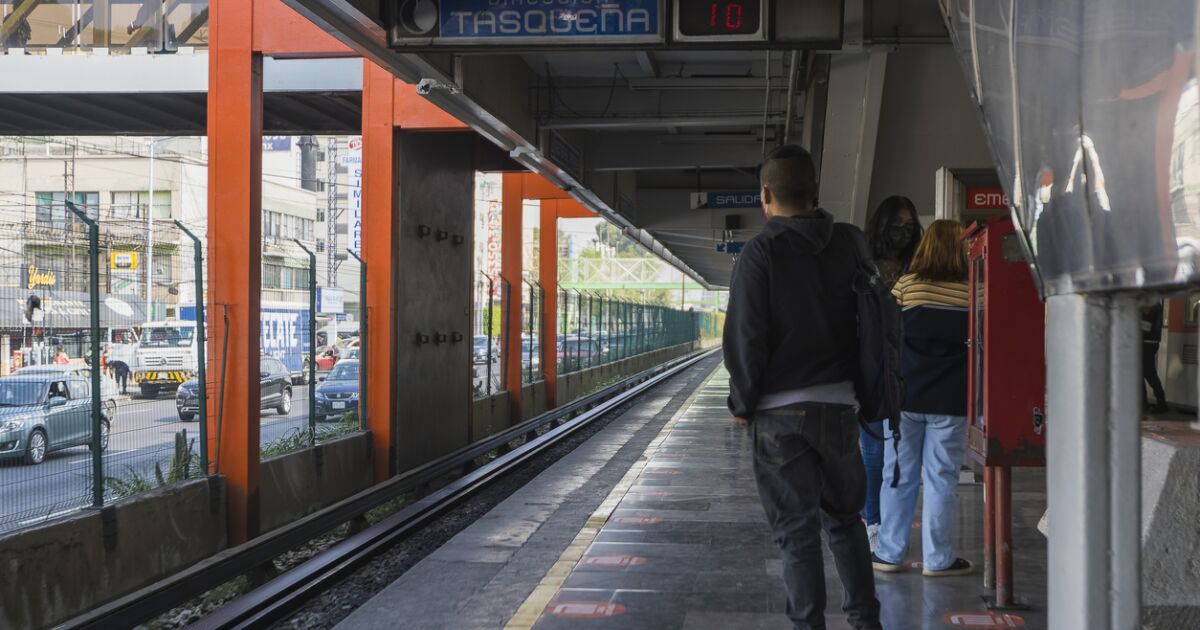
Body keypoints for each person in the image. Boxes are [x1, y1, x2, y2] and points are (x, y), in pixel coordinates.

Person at [725, 144, 881, 630]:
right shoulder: (849, 245)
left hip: (779, 417)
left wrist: (742, 402)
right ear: (815, 193)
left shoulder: (761, 251)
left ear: (765, 196)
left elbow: (747, 335)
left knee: (797, 533)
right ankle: (865, 622)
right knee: (846, 523)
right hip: (838, 408)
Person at [873, 219, 973, 577]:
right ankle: (938, 559)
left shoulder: (906, 287)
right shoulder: (973, 291)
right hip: (951, 400)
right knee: (941, 477)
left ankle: (888, 553)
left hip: (905, 399)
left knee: (897, 475)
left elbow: (886, 337)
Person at [860, 195, 924, 549]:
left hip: (910, 365)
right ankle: (872, 520)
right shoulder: (866, 265)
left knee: (898, 457)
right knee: (874, 452)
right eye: (896, 226)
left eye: (908, 227)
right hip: (872, 365)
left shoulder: (919, 264)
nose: (902, 233)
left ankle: (879, 521)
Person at [1143, 302, 1168, 413]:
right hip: (1148, 343)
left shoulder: (1154, 305)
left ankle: (1161, 402)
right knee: (1144, 373)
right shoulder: (1156, 305)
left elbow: (1147, 326)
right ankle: (1144, 403)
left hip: (1147, 343)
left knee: (1149, 373)